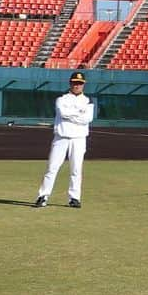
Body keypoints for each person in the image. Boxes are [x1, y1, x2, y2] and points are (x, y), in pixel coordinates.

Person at [35, 71, 95, 209]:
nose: (77, 86)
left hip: (79, 139)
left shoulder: (88, 100)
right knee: (52, 168)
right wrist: (78, 114)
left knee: (76, 169)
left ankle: (74, 198)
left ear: (84, 85)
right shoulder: (61, 98)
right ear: (70, 83)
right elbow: (63, 113)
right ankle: (43, 195)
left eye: (79, 83)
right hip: (61, 137)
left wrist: (73, 115)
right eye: (75, 83)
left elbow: (88, 118)